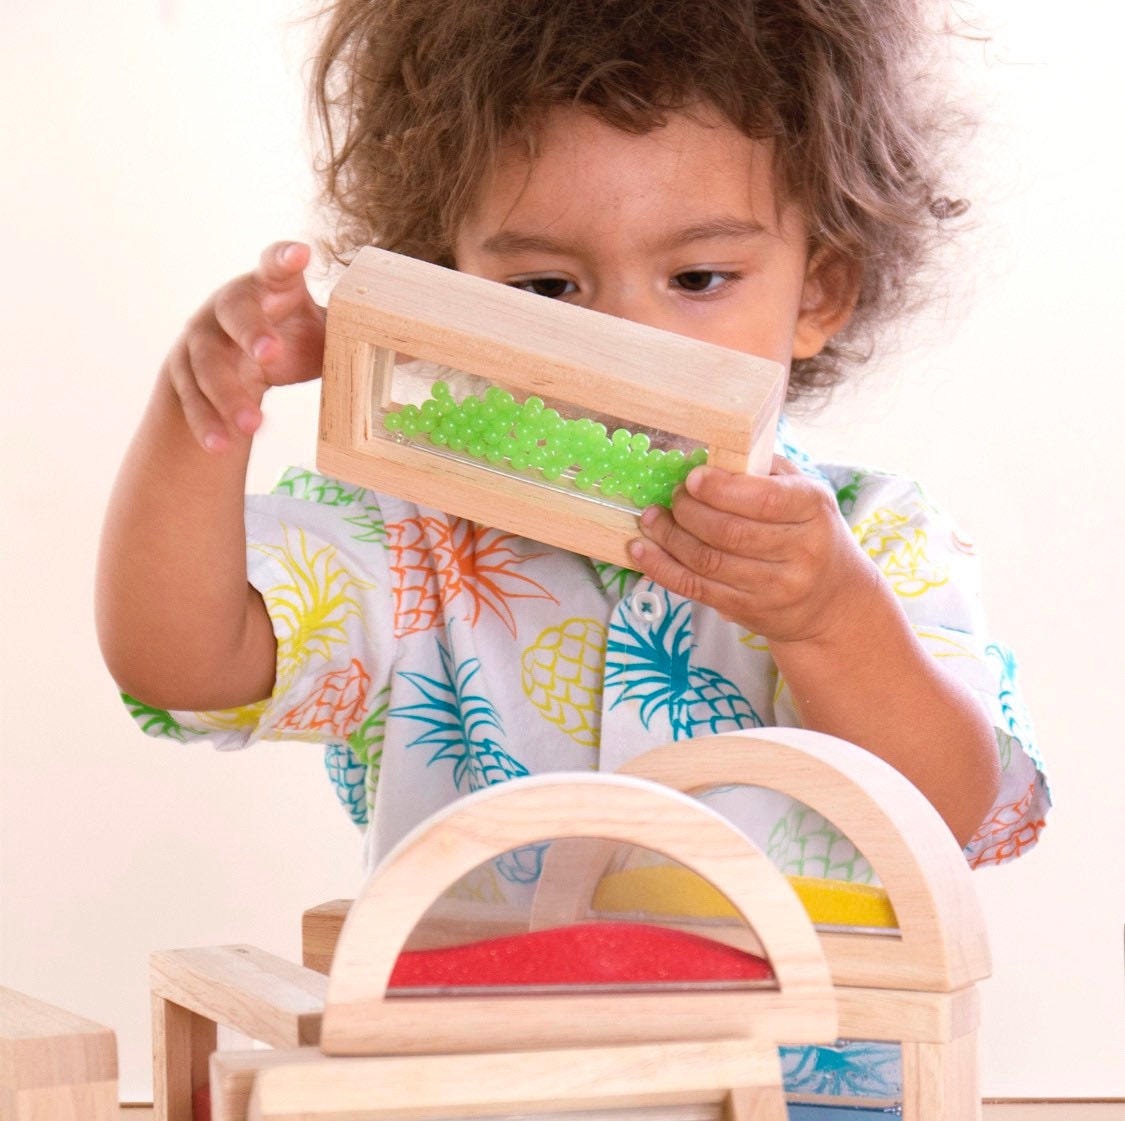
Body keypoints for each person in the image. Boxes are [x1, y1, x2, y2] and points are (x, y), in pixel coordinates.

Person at [97, 0, 1049, 1102]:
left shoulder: (872, 539)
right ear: (444, 289)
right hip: (485, 1091)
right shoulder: (411, 543)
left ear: (817, 291)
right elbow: (180, 663)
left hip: (799, 1094)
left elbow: (955, 810)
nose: (619, 342)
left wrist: (830, 618)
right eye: (547, 289)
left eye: (697, 280)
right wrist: (198, 425)